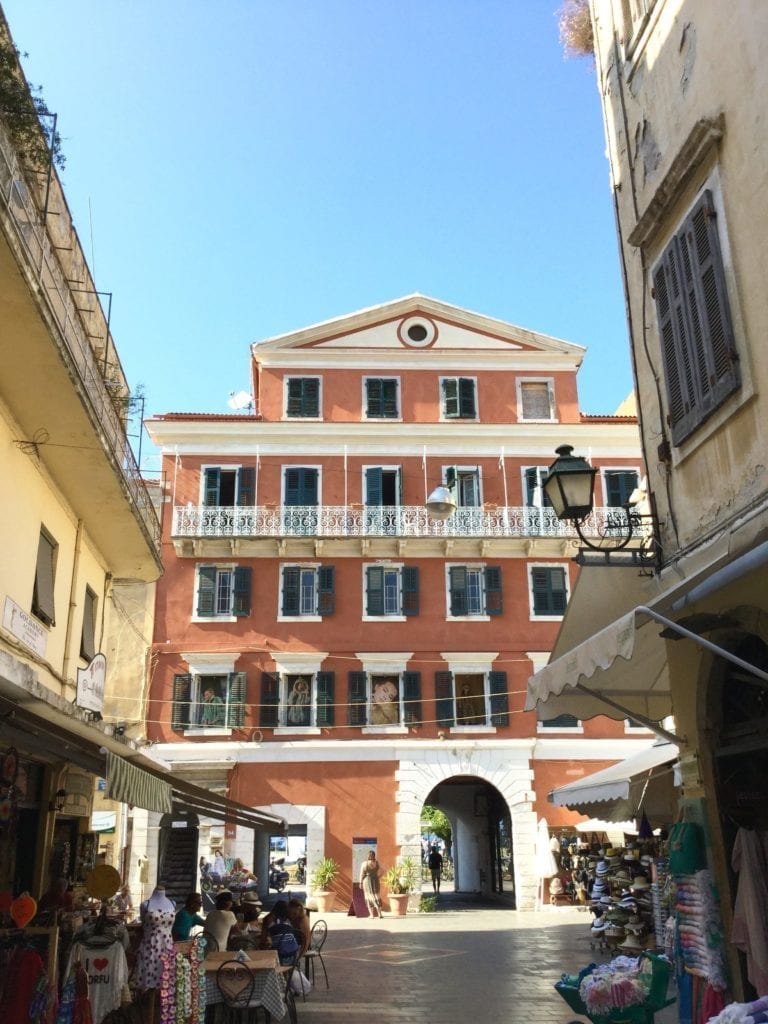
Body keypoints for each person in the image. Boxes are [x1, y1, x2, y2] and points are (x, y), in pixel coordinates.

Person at [266, 900, 301, 964]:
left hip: (280, 958)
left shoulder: (271, 921)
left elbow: (267, 938)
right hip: (293, 957)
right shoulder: (288, 921)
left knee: (267, 949)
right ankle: (287, 973)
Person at [360, 850, 382, 918]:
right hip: (375, 880)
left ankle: (372, 915)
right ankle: (380, 914)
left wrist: (360, 882)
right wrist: (378, 876)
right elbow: (383, 871)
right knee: (377, 896)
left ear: (368, 856)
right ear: (374, 856)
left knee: (368, 897)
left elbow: (361, 874)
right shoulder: (377, 863)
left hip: (367, 881)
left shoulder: (364, 863)